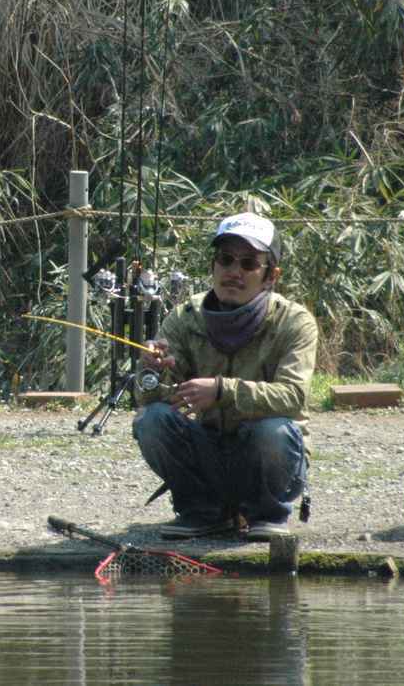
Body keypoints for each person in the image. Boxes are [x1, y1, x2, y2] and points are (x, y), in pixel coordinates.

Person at [133, 211, 317, 541]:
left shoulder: (295, 322)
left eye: (249, 264)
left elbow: (293, 396)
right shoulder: (184, 317)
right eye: (226, 260)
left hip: (269, 453)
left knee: (275, 430)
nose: (234, 272)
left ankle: (266, 514)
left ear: (271, 276)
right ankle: (203, 512)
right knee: (151, 420)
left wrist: (222, 390)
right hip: (209, 451)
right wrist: (150, 369)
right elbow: (151, 398)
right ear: (213, 266)